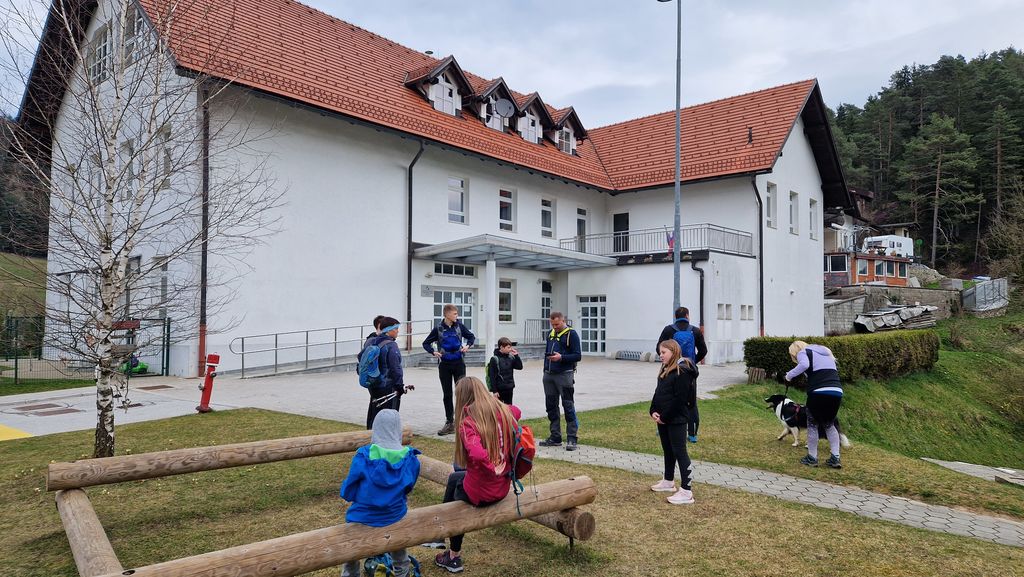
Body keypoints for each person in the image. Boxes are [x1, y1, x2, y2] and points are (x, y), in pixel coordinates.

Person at [434, 376, 523, 574]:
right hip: (501, 487)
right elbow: (517, 411)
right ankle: (438, 535)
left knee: (455, 505)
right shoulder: (503, 411)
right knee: (454, 479)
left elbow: (476, 454)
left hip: (482, 493)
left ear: (463, 398)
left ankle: (453, 556)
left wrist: (491, 468)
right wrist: (497, 404)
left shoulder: (469, 423)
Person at [340, 409, 421, 577]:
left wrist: (354, 495)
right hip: (395, 513)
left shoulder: (364, 456)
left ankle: (351, 573)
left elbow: (349, 489)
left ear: (375, 429)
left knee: (350, 551)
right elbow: (408, 487)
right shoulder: (410, 458)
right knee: (399, 549)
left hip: (363, 516)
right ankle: (402, 571)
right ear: (398, 430)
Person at [649, 339, 699, 505]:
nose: (660, 355)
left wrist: (665, 417)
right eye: (660, 352)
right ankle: (668, 481)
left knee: (680, 452)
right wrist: (653, 410)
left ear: (673, 351)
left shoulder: (682, 371)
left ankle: (686, 491)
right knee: (668, 450)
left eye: (664, 352)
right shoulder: (665, 368)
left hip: (676, 419)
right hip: (663, 418)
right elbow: (659, 392)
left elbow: (680, 399)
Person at [785, 340, 844, 469]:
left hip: (818, 393)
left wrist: (789, 376)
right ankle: (835, 458)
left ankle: (812, 458)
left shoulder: (803, 352)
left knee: (812, 424)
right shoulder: (825, 353)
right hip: (836, 392)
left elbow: (804, 364)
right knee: (829, 424)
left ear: (795, 351)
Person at [422, 304, 476, 436]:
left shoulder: (459, 326)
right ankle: (450, 422)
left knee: (462, 393)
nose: (457, 316)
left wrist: (467, 346)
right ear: (447, 314)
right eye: (455, 314)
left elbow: (471, 337)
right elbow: (425, 343)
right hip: (444, 365)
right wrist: (433, 352)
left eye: (457, 314)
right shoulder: (438, 329)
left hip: (459, 364)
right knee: (447, 394)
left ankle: (463, 422)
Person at [656, 306, 707, 443]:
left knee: (667, 396)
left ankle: (662, 423)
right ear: (687, 316)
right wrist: (692, 362)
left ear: (675, 316)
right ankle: (692, 434)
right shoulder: (695, 331)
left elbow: (659, 348)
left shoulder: (668, 330)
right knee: (690, 400)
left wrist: (669, 360)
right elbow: (703, 350)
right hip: (689, 371)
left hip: (670, 369)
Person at [358, 317, 412, 429]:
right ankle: (387, 437)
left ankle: (371, 434)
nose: (397, 331)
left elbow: (360, 358)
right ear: (388, 330)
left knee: (374, 412)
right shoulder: (391, 345)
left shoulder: (370, 341)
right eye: (396, 328)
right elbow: (395, 368)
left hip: (373, 384)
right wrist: (400, 386)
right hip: (388, 387)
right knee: (389, 416)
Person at [539, 311, 582, 451]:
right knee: (551, 406)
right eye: (552, 324)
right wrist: (545, 369)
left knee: (568, 406)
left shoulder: (571, 334)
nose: (555, 327)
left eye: (557, 324)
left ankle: (572, 438)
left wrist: (561, 358)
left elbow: (578, 356)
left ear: (563, 321)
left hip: (565, 375)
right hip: (549, 375)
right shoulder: (550, 334)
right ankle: (555, 437)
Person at [486, 337, 522, 404]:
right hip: (499, 389)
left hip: (509, 388)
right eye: (508, 347)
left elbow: (519, 367)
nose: (510, 349)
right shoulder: (494, 359)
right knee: (499, 408)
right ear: (501, 347)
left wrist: (516, 356)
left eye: (510, 347)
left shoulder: (511, 357)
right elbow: (492, 376)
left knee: (509, 407)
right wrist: (494, 391)